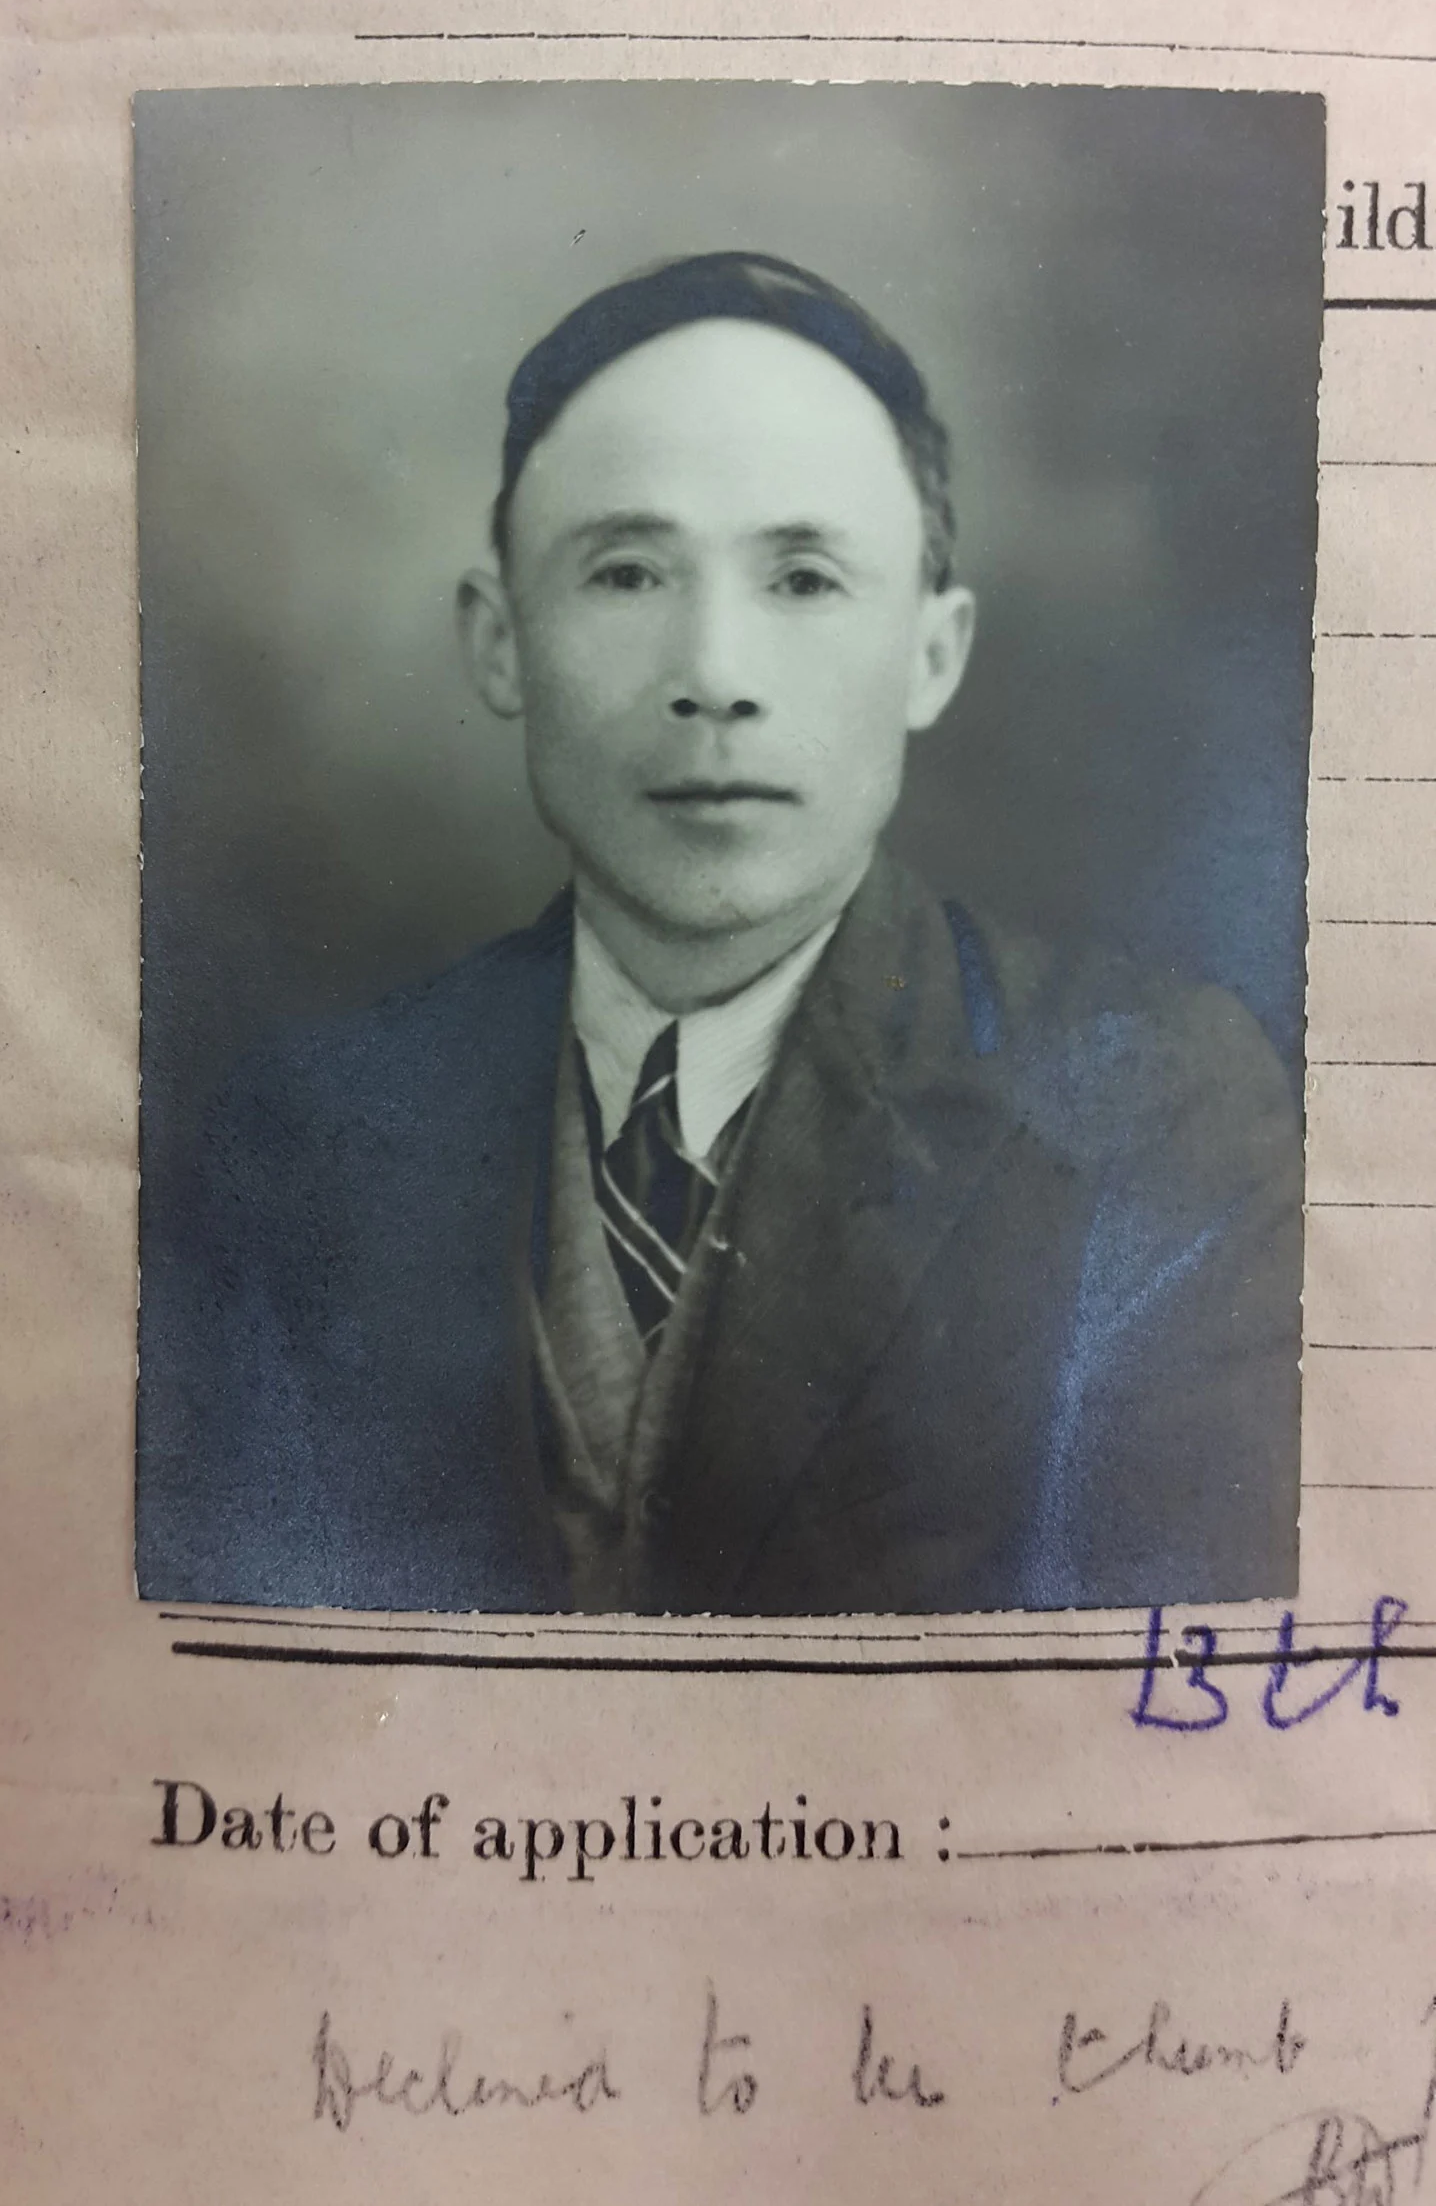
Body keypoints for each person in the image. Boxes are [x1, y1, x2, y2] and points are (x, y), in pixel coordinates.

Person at [138, 251, 1302, 1617]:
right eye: (627, 573)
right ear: (501, 640)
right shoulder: (304, 1136)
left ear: (934, 653)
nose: (714, 678)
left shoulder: (1151, 1116)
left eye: (804, 579)